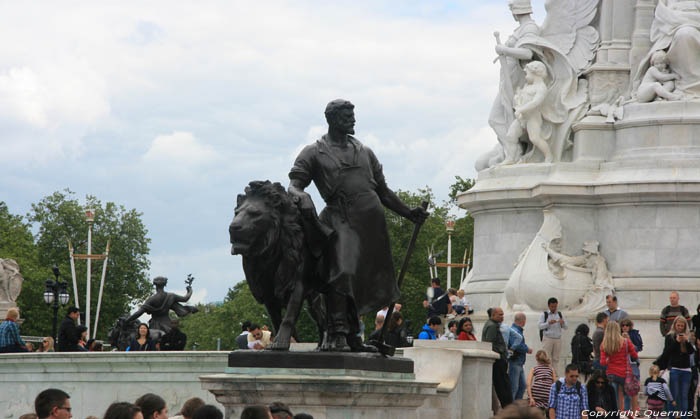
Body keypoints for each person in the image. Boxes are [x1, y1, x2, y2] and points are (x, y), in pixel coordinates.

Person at [288, 99, 428, 352]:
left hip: (371, 223)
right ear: (331, 119)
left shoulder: (365, 151)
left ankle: (353, 336)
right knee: (342, 272)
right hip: (339, 218)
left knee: (362, 280)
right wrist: (302, 196)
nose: (352, 121)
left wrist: (409, 213)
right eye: (346, 117)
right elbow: (295, 185)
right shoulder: (313, 152)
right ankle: (337, 332)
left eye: (353, 116)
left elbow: (383, 192)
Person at [656, 315, 695, 412]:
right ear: (675, 325)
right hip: (675, 369)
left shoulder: (687, 337)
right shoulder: (670, 337)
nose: (680, 328)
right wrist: (677, 342)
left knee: (684, 396)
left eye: (682, 326)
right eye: (678, 325)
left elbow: (691, 352)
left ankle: (684, 416)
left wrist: (687, 341)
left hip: (686, 370)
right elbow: (667, 352)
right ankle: (671, 415)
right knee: (673, 395)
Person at [600, 321, 638, 411]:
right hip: (625, 372)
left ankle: (615, 415)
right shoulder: (625, 341)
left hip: (612, 373)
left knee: (614, 397)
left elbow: (602, 362)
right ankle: (627, 414)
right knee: (627, 396)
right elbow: (635, 355)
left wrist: (609, 360)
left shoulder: (604, 344)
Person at [483, 307, 513, 409]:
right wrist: (500, 353)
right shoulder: (492, 326)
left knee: (505, 386)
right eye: (500, 315)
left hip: (500, 360)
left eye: (502, 314)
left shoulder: (493, 325)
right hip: (498, 361)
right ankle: (508, 409)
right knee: (503, 387)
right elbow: (489, 343)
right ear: (493, 315)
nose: (502, 317)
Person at [538, 297, 567, 373]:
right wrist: (548, 323)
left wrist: (562, 322)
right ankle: (546, 374)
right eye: (552, 307)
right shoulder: (544, 314)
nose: (554, 308)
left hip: (557, 338)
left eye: (555, 306)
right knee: (546, 358)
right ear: (549, 306)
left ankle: (555, 375)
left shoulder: (560, 314)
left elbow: (566, 327)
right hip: (548, 338)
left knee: (556, 359)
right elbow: (540, 326)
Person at [508, 313, 532, 401]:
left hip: (519, 362)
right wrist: (526, 349)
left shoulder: (516, 330)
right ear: (523, 320)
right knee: (514, 387)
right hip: (515, 361)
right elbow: (517, 345)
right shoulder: (515, 331)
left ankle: (517, 407)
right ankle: (511, 410)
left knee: (522, 386)